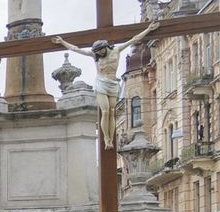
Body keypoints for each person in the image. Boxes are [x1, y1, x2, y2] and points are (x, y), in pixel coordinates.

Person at [53, 21, 159, 149]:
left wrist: (148, 29)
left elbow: (134, 39)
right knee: (105, 110)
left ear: (105, 47)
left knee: (112, 111)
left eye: (100, 51)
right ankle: (107, 140)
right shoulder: (95, 56)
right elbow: (76, 49)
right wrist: (62, 42)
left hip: (113, 83)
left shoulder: (116, 50)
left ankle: (110, 139)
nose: (98, 54)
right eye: (96, 52)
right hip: (101, 83)